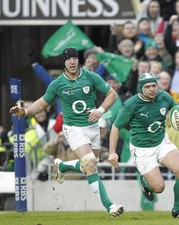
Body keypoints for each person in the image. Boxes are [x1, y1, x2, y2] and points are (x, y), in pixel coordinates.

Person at [9, 48, 124, 217]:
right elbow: (42, 103)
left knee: (90, 165)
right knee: (90, 164)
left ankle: (62, 165)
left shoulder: (91, 77)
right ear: (64, 63)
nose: (72, 62)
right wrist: (25, 112)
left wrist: (100, 110)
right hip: (74, 129)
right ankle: (110, 206)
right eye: (68, 59)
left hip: (92, 126)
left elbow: (112, 94)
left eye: (74, 58)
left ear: (78, 60)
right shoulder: (57, 84)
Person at [108, 73, 179, 218]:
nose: (152, 89)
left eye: (154, 85)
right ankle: (145, 182)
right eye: (147, 87)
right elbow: (116, 127)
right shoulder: (131, 104)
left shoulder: (164, 96)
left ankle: (178, 210)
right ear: (140, 89)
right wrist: (112, 152)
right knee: (159, 188)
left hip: (162, 141)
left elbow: (177, 108)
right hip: (142, 149)